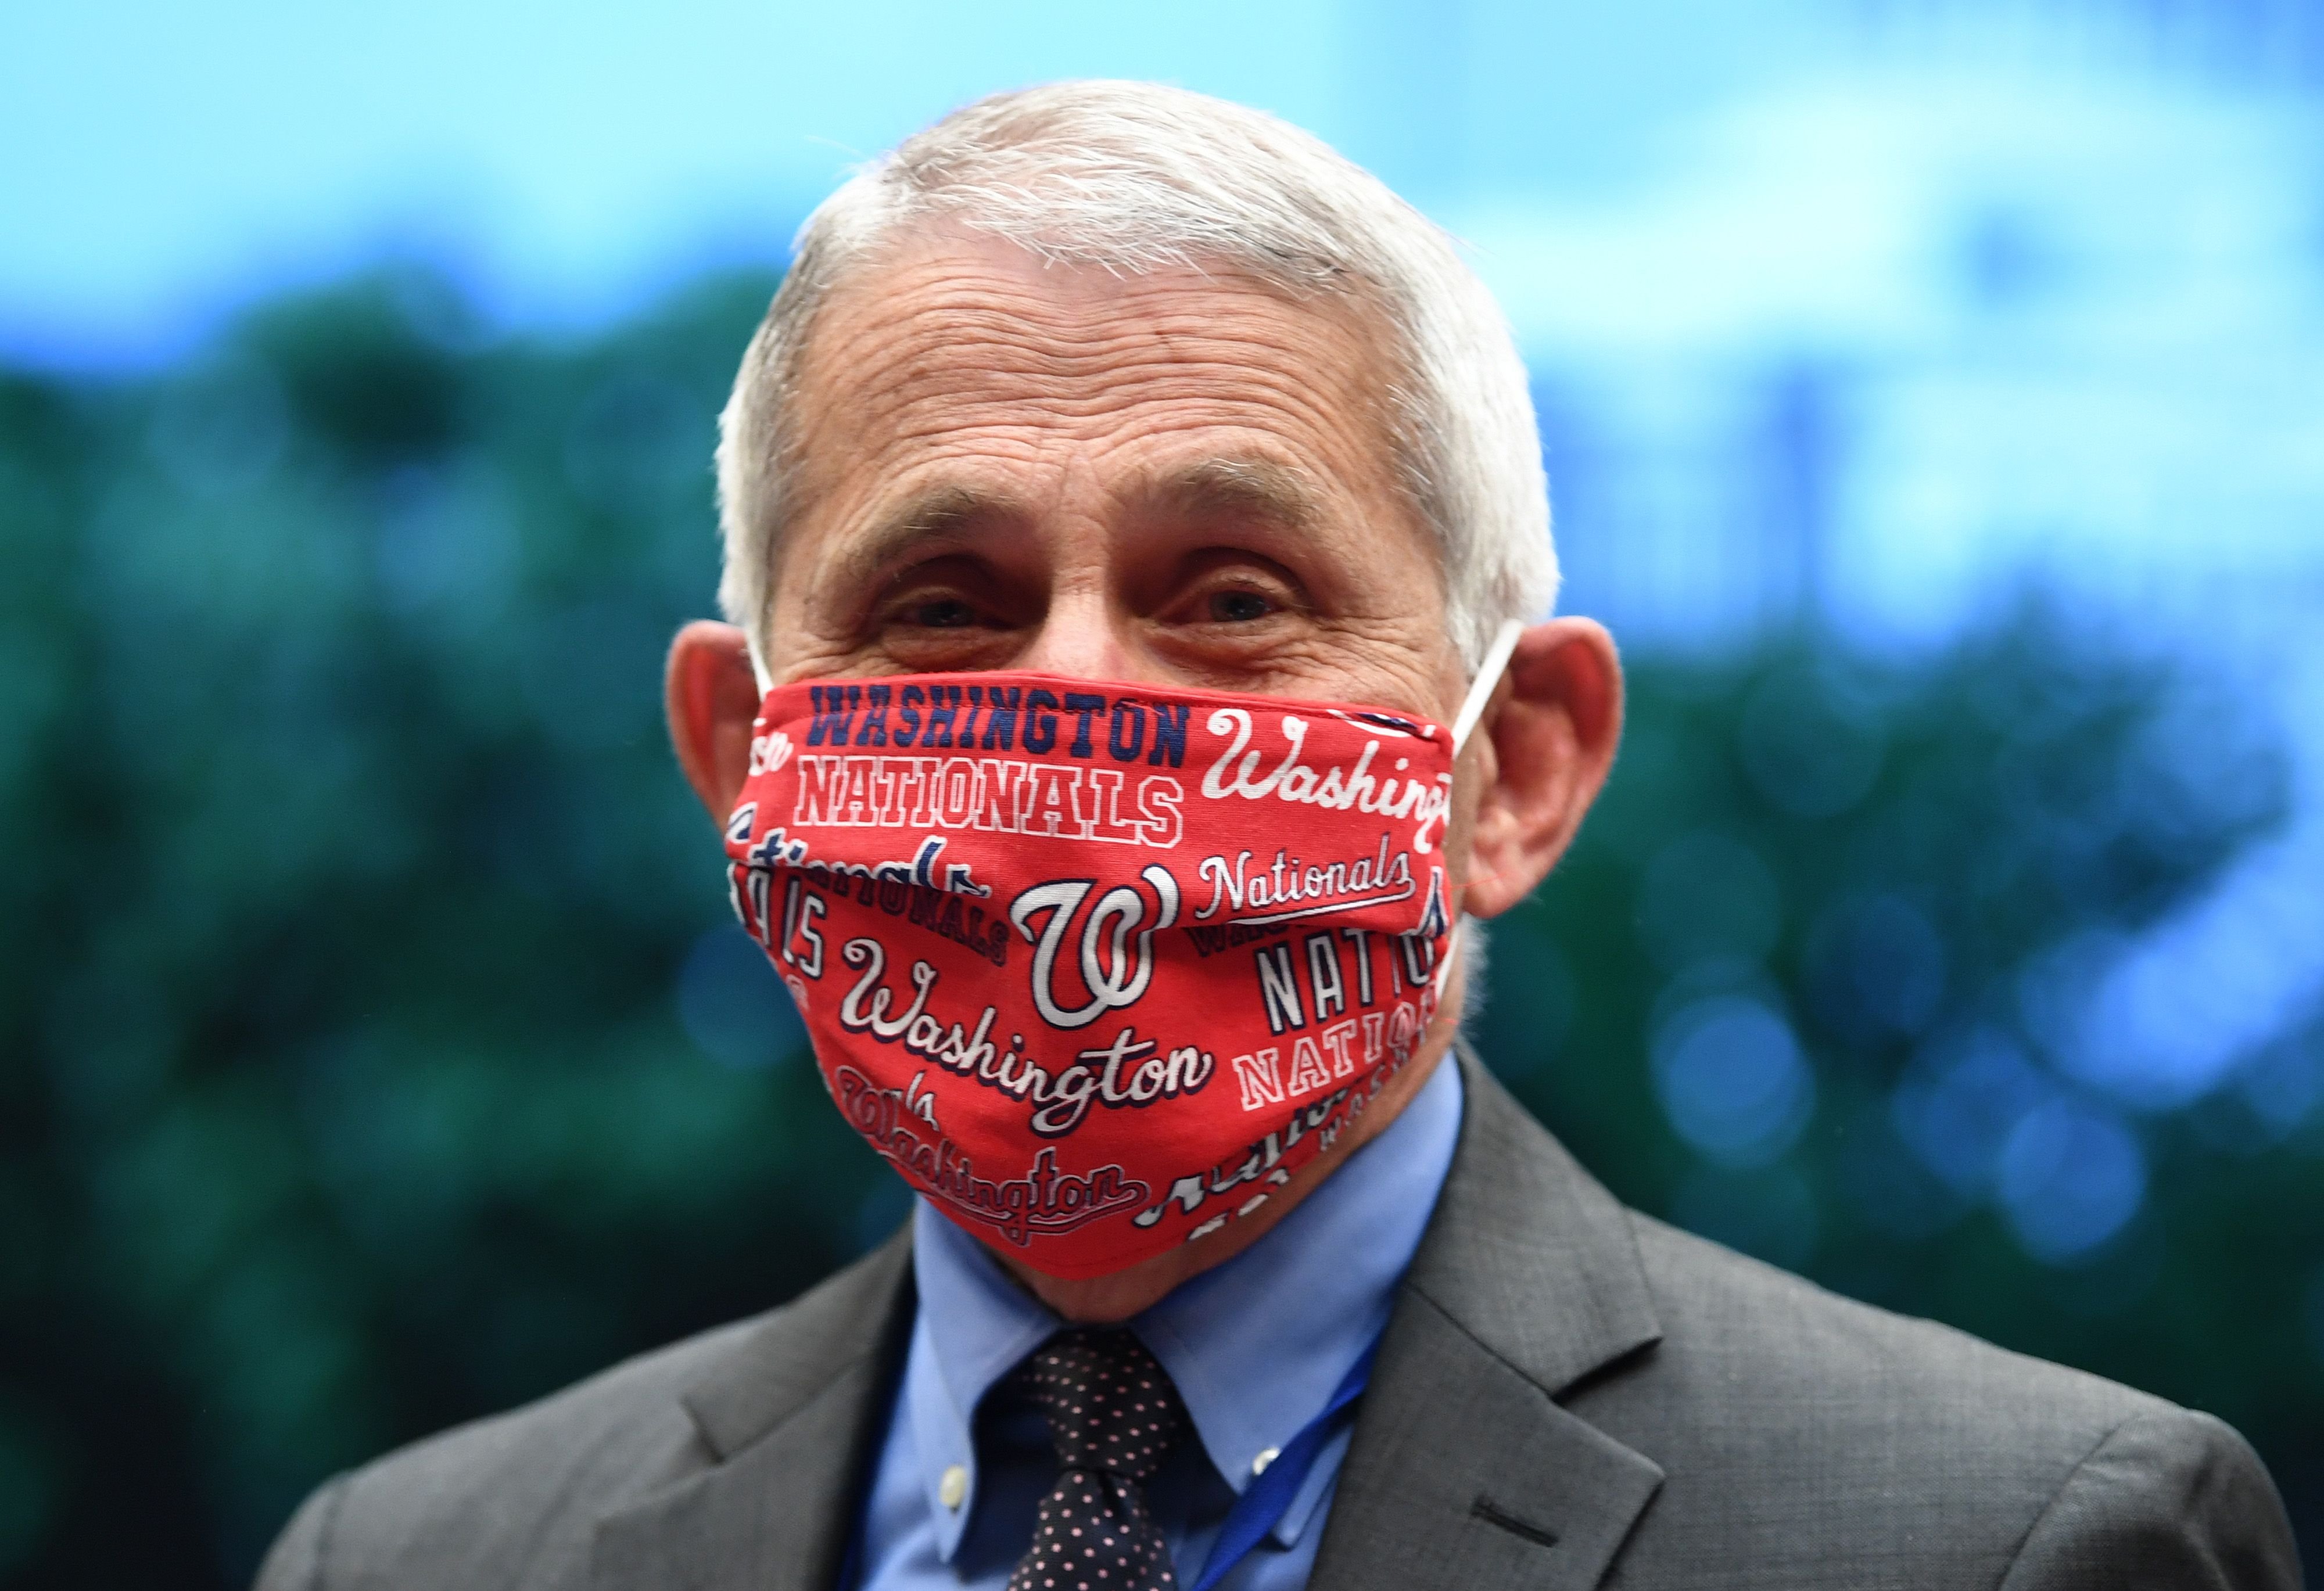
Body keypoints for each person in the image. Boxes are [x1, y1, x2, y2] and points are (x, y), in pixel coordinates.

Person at [255, 81, 2301, 1591]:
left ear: (1515, 765)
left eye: (1233, 597)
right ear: (738, 761)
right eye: (942, 604)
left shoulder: (2022, 1542)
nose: (1079, 705)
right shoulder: (413, 1558)